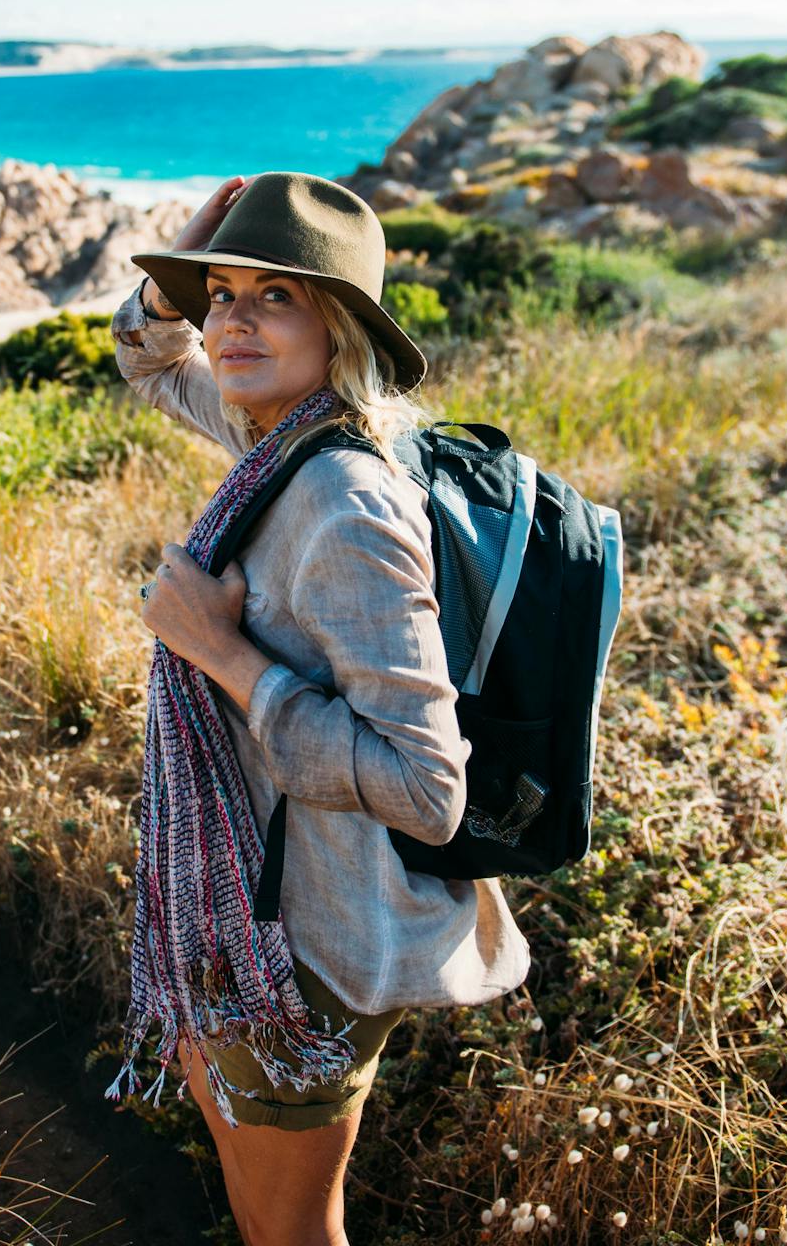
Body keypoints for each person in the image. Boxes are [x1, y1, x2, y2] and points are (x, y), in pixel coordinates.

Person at [109, 173, 528, 1246]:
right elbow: (147, 361)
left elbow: (426, 789)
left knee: (292, 1231)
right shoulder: (279, 439)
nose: (231, 321)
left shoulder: (341, 498)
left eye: (274, 297)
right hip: (255, 913)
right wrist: (178, 273)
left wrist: (223, 654)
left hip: (314, 949)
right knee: (263, 1221)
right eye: (223, 295)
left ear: (337, 326)